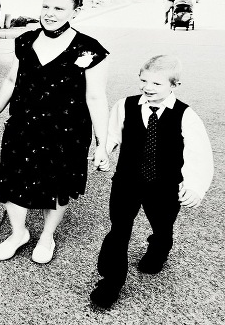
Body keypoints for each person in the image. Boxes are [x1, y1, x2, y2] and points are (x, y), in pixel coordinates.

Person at [0, 0, 109, 264]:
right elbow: (11, 81)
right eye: (46, 6)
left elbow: (97, 96)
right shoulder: (26, 41)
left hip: (66, 132)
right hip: (23, 127)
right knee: (13, 181)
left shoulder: (88, 49)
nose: (50, 13)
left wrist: (102, 143)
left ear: (75, 12)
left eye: (59, 8)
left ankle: (47, 236)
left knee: (57, 186)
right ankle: (18, 233)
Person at [90, 55, 213, 309]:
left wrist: (194, 185)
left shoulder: (185, 115)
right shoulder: (125, 105)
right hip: (127, 181)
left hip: (165, 186)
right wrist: (104, 150)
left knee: (162, 225)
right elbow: (112, 134)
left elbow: (197, 153)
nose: (147, 88)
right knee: (119, 229)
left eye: (156, 84)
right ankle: (111, 281)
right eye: (143, 80)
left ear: (174, 85)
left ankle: (159, 247)